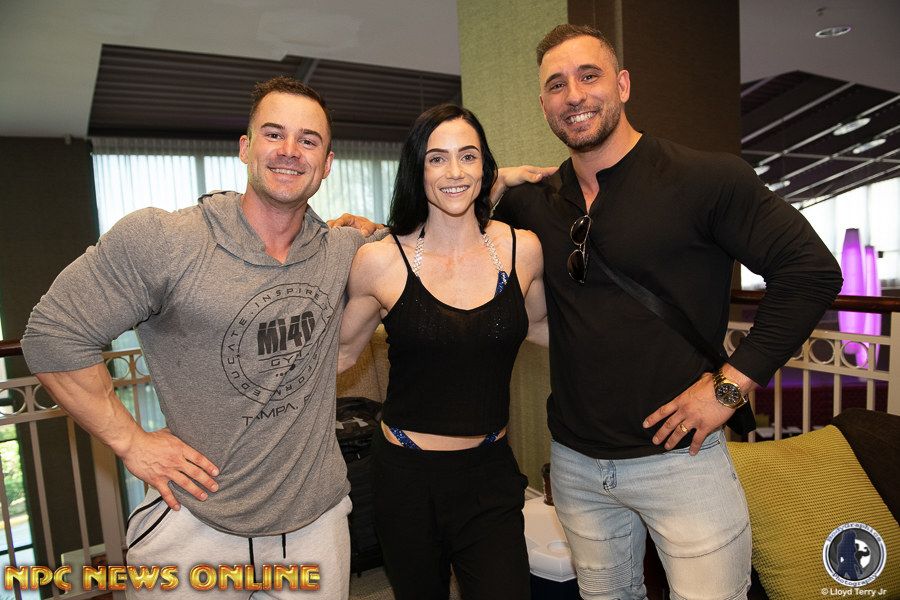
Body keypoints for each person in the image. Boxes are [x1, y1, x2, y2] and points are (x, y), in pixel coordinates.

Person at [486, 24, 844, 600]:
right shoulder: (534, 203)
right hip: (577, 464)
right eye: (556, 84)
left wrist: (728, 389)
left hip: (684, 462)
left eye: (589, 76)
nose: (573, 95)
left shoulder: (705, 178)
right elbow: (437, 239)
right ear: (544, 104)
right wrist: (498, 178)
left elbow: (811, 272)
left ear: (623, 85)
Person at [22, 76, 382, 599]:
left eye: (308, 140)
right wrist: (131, 441)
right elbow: (52, 334)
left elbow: (430, 237)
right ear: (245, 147)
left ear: (327, 164)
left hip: (315, 526)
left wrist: (494, 180)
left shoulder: (341, 250)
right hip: (196, 526)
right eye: (273, 134)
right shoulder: (166, 241)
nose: (289, 150)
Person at [337, 104, 547, 600]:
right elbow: (339, 356)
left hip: (490, 472)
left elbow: (543, 328)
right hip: (406, 478)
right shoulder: (380, 261)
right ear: (418, 169)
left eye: (467, 156)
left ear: (484, 167)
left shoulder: (523, 250)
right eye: (437, 158)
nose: (454, 171)